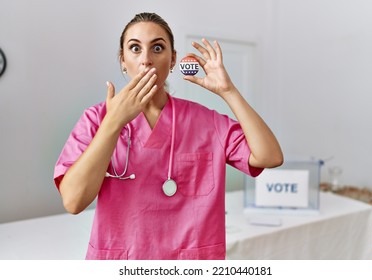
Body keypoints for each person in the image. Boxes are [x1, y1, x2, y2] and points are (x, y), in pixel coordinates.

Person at [53, 12, 283, 260]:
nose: (146, 60)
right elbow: (73, 202)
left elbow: (270, 156)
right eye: (134, 48)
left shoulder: (205, 121)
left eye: (158, 48)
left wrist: (229, 92)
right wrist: (113, 123)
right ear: (122, 60)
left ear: (172, 60)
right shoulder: (96, 119)